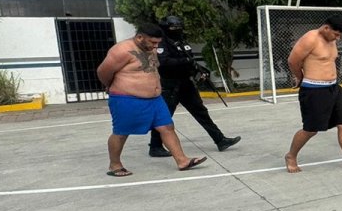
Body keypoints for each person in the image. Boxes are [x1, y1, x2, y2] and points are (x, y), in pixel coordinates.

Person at [98, 23, 207, 177]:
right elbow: (103, 71)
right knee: (121, 132)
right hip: (127, 98)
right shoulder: (121, 50)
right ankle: (115, 164)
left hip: (155, 99)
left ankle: (182, 160)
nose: (156, 46)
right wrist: (109, 85)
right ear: (140, 37)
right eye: (153, 42)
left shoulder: (150, 49)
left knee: (167, 127)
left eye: (158, 43)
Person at [146, 16, 240, 158]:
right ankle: (155, 146)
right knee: (163, 117)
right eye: (174, 28)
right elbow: (164, 62)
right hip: (170, 84)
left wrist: (198, 70)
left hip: (186, 83)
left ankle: (220, 140)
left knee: (201, 112)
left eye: (179, 27)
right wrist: (186, 61)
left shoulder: (180, 40)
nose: (177, 30)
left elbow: (189, 59)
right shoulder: (162, 42)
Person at [284, 15, 342, 173]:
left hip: (334, 88)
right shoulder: (310, 38)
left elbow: (329, 60)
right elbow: (292, 61)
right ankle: (291, 156)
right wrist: (300, 78)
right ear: (326, 28)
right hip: (314, 90)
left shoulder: (331, 40)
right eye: (336, 34)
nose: (338, 37)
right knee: (311, 129)